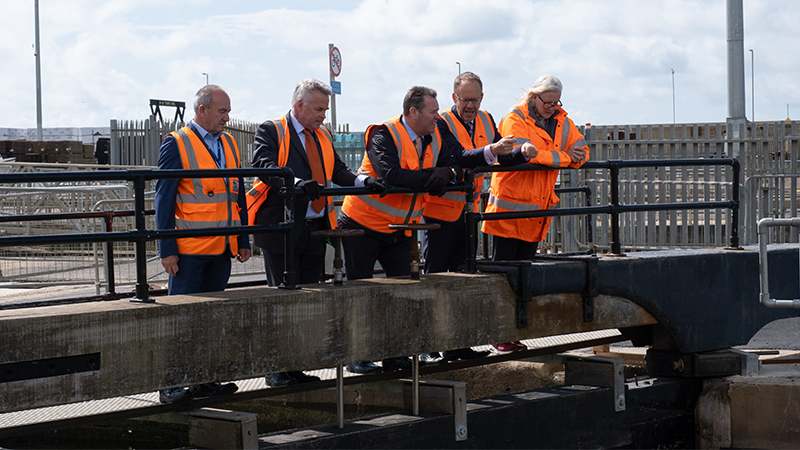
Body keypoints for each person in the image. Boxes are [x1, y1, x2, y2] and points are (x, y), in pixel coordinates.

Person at [249, 78, 387, 386]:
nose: (323, 116)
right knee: (282, 299)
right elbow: (264, 164)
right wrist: (296, 183)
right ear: (299, 106)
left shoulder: (322, 134)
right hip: (281, 229)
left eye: (325, 109)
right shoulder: (272, 130)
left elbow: (337, 170)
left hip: (315, 227)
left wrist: (364, 182)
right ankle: (276, 369)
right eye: (318, 109)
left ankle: (295, 365)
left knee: (308, 299)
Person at [338, 86, 461, 374]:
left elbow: (454, 162)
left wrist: (446, 173)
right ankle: (358, 356)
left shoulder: (433, 137)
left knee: (402, 292)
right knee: (360, 292)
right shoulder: (384, 134)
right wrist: (433, 178)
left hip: (400, 228)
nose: (437, 117)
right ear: (413, 111)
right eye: (433, 111)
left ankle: (396, 354)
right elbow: (391, 174)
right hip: (363, 225)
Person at [419, 71, 526, 364]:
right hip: (439, 214)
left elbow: (498, 154)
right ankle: (429, 346)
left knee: (463, 278)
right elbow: (459, 155)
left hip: (467, 215)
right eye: (465, 99)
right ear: (454, 98)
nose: (470, 105)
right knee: (437, 279)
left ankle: (457, 344)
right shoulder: (440, 123)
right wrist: (491, 150)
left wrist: (521, 154)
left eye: (475, 99)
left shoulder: (486, 119)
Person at [155, 84, 252, 403]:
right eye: (222, 111)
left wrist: (242, 238)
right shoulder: (177, 143)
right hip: (189, 251)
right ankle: (171, 384)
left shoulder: (229, 143)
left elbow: (237, 195)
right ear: (202, 111)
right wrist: (167, 249)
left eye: (228, 111)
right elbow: (164, 199)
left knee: (211, 320)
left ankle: (203, 381)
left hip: (222, 248)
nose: (227, 117)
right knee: (181, 320)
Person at [483, 74, 589, 354]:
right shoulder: (514, 119)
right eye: (547, 102)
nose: (552, 107)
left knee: (524, 278)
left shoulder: (562, 121)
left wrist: (557, 156)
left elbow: (584, 152)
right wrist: (564, 157)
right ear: (534, 97)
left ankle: (514, 332)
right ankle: (499, 333)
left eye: (556, 102)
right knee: (504, 278)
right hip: (507, 213)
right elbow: (526, 155)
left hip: (536, 212)